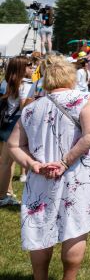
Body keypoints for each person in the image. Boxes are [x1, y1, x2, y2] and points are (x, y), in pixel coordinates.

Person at [8, 55, 90, 280]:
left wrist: (33, 165)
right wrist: (64, 162)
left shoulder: (31, 107)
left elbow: (13, 146)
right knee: (74, 227)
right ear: (70, 76)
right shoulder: (84, 99)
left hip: (40, 177)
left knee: (39, 228)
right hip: (77, 176)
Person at [0, 56, 35, 207]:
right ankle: (2, 196)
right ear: (22, 68)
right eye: (29, 66)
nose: (32, 68)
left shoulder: (5, 82)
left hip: (4, 123)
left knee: (5, 161)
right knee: (6, 162)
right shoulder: (25, 84)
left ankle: (7, 192)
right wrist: (33, 99)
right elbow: (23, 108)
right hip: (15, 126)